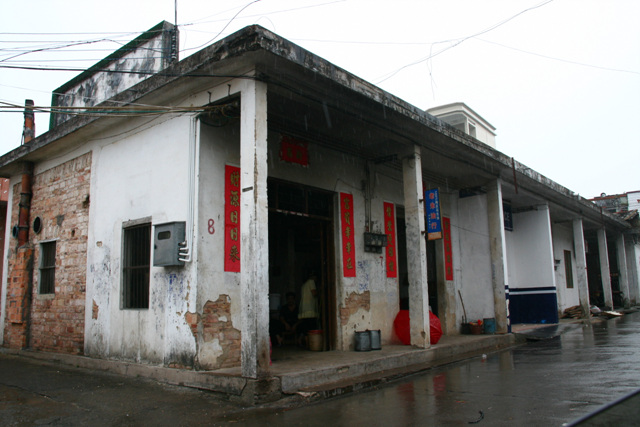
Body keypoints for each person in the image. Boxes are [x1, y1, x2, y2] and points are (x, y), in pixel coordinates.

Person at [297, 272, 318, 347]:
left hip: (304, 308)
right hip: (310, 308)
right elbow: (314, 293)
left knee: (305, 326)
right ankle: (309, 344)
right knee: (311, 327)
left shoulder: (304, 285)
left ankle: (303, 342)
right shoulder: (311, 282)